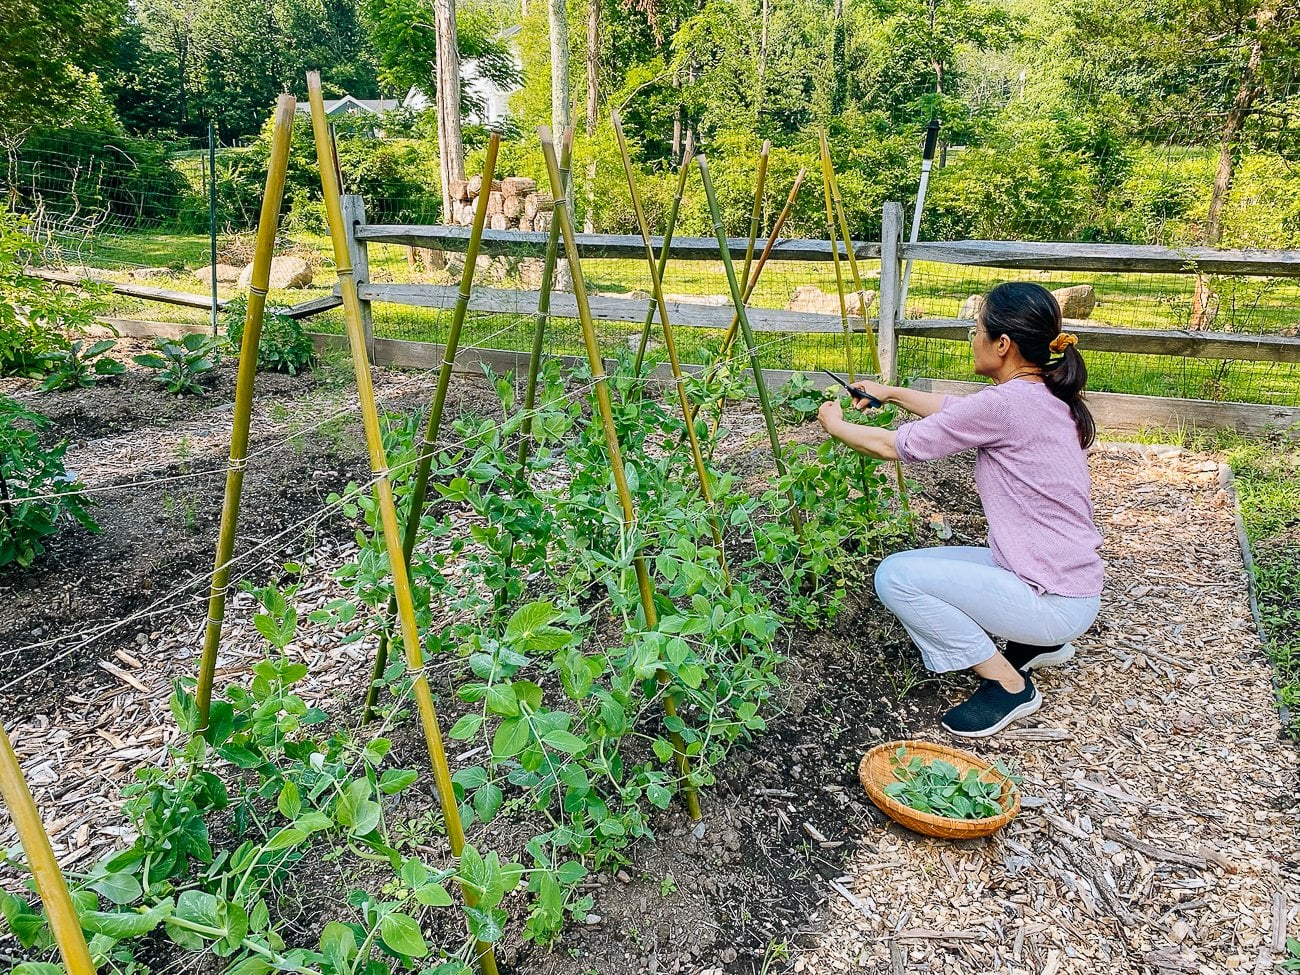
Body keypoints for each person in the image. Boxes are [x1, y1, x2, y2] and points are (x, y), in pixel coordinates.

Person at [816, 282, 1104, 738]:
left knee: (895, 578)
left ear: (1002, 345)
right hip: (1064, 578)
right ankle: (1037, 640)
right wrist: (889, 392)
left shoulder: (1005, 405)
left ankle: (1009, 685)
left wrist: (834, 424)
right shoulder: (1042, 392)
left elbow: (893, 447)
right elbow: (956, 408)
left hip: (1055, 599)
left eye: (976, 329)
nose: (973, 338)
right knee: (917, 565)